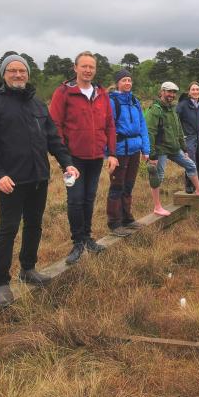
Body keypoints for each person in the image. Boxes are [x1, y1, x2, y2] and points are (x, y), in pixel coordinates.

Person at [0, 54, 79, 307]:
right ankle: (1, 282)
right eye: (13, 70)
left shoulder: (38, 105)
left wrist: (68, 162)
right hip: (11, 181)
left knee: (34, 225)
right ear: (4, 74)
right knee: (8, 230)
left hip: (38, 177)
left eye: (22, 71)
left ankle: (28, 268)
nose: (18, 75)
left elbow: (53, 139)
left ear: (28, 74)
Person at [49, 51, 118, 265]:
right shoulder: (64, 92)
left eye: (92, 67)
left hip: (96, 156)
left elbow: (109, 125)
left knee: (89, 198)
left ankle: (88, 238)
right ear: (75, 68)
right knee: (76, 200)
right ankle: (77, 242)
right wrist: (64, 157)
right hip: (73, 160)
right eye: (84, 66)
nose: (88, 70)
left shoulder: (101, 93)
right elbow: (55, 125)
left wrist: (113, 153)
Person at [145, 82, 199, 216]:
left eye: (173, 92)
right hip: (161, 149)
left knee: (191, 165)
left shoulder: (172, 108)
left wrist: (184, 148)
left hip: (174, 147)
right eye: (168, 92)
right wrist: (152, 155)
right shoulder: (155, 110)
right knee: (158, 177)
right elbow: (150, 133)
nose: (171, 95)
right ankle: (157, 206)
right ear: (162, 92)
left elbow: (179, 130)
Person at [107, 69, 150, 236]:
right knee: (117, 186)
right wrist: (109, 153)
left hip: (135, 149)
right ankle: (114, 222)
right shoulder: (112, 101)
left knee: (129, 185)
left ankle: (127, 219)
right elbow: (107, 127)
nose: (127, 83)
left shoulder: (134, 100)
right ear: (118, 82)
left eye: (129, 80)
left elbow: (142, 125)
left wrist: (145, 149)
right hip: (119, 150)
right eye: (124, 80)